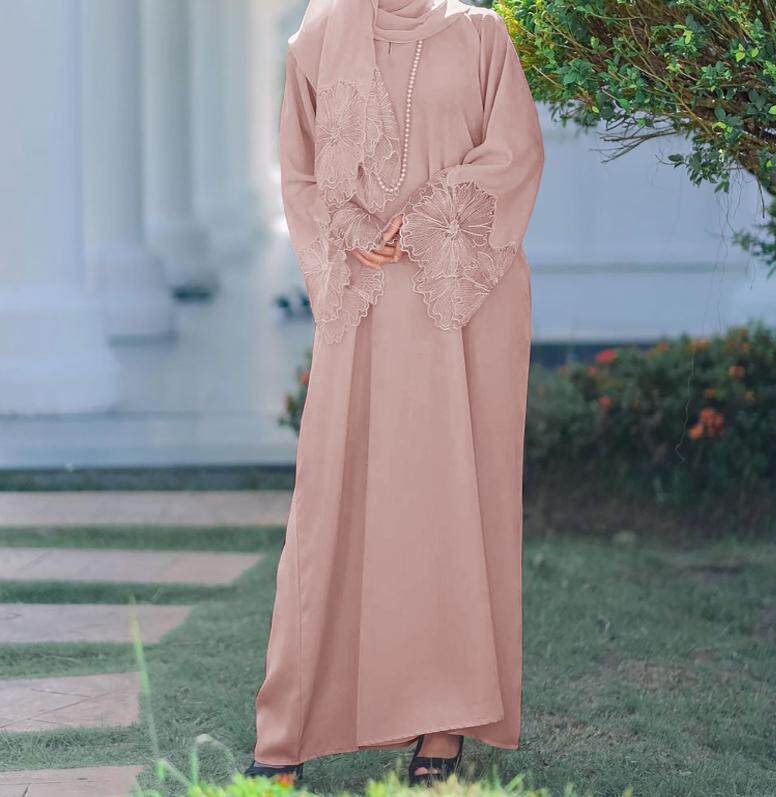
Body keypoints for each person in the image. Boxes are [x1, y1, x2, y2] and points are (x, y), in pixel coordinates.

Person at [246, 0, 544, 785]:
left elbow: (513, 154)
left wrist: (426, 217)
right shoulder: (316, 41)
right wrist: (348, 227)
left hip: (461, 300)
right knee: (332, 500)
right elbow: (299, 174)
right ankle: (290, 727)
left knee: (452, 499)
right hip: (366, 298)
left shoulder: (478, 34)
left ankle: (443, 722)